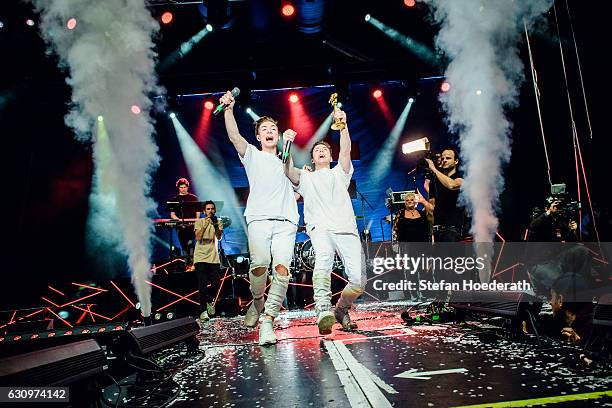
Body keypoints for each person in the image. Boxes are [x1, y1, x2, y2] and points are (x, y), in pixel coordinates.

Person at [220, 90, 299, 346]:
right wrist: (229, 108)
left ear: (278, 134)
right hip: (259, 219)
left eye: (273, 128)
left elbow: (296, 186)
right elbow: (233, 136)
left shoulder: (287, 160)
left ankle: (268, 320)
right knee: (260, 264)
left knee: (282, 270)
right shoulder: (252, 155)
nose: (269, 131)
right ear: (258, 136)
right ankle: (257, 302)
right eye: (264, 128)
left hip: (286, 221)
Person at [284, 108, 365, 334]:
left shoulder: (340, 172)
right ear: (312, 157)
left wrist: (343, 125)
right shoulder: (306, 177)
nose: (321, 151)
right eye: (317, 150)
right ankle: (322, 310)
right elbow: (288, 170)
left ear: (331, 156)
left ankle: (341, 309)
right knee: (324, 260)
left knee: (358, 280)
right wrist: (288, 144)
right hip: (319, 228)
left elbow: (346, 151)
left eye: (325, 150)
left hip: (346, 228)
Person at [194, 201, 224, 321]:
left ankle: (209, 301)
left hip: (213, 256)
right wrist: (205, 224)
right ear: (204, 211)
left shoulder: (218, 221)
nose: (210, 211)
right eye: (208, 209)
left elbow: (219, 236)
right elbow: (198, 237)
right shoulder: (199, 221)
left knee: (216, 284)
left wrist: (215, 225)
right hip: (200, 256)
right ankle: (203, 311)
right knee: (202, 285)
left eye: (212, 209)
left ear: (215, 210)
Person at [425, 148, 464, 242]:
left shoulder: (461, 176)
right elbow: (432, 208)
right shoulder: (435, 181)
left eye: (448, 158)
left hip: (452, 229)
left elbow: (452, 185)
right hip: (437, 230)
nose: (444, 160)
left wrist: (433, 168)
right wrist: (422, 201)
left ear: (456, 161)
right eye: (443, 158)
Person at [170, 178, 200, 269]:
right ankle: (187, 265)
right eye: (181, 187)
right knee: (183, 245)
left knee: (191, 244)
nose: (183, 189)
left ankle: (194, 264)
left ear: (187, 187)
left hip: (191, 226)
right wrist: (180, 221)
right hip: (180, 226)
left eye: (185, 187)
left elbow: (198, 211)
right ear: (178, 188)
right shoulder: (174, 199)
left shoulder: (193, 197)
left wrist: (196, 220)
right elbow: (172, 214)